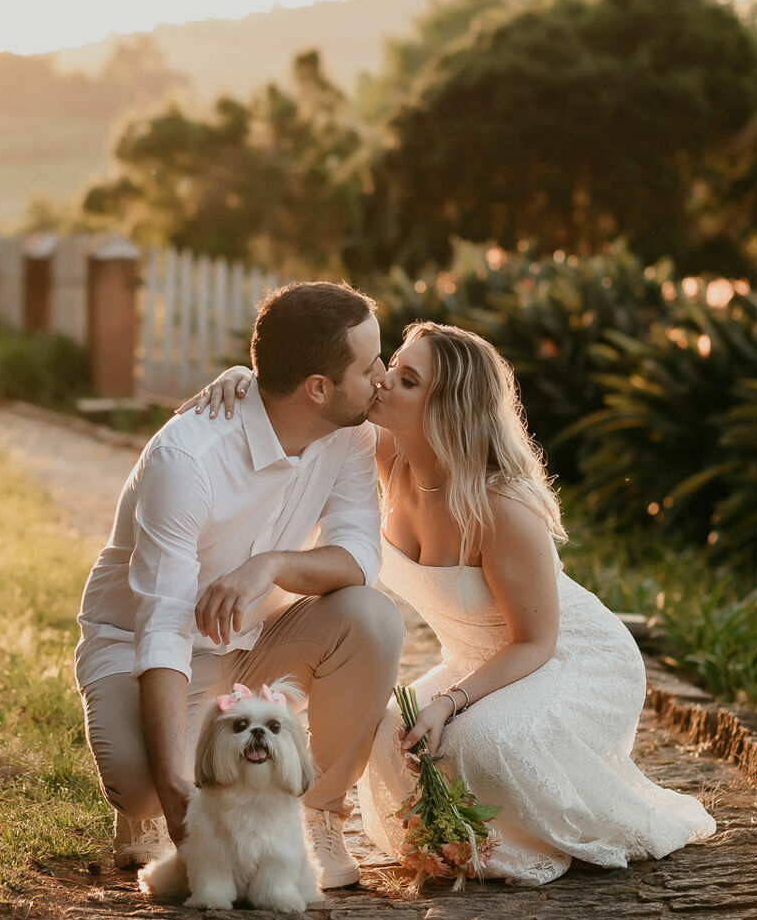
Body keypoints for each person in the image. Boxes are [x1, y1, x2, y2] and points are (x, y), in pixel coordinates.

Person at [184, 321, 715, 885]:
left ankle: (509, 838)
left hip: (567, 659)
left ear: (448, 410)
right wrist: (248, 380)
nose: (383, 380)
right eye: (393, 365)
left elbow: (535, 642)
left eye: (408, 380)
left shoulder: (501, 506)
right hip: (474, 657)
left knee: (482, 741)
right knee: (391, 736)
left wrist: (448, 701)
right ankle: (449, 836)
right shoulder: (381, 453)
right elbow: (306, 405)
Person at [75, 281, 404, 890]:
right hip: (142, 646)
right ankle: (148, 803)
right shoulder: (188, 458)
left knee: (373, 618)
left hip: (258, 639)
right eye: (370, 366)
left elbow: (359, 555)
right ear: (318, 388)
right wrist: (173, 788)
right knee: (145, 788)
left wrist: (271, 564)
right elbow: (164, 625)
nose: (382, 377)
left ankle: (317, 812)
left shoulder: (349, 431)